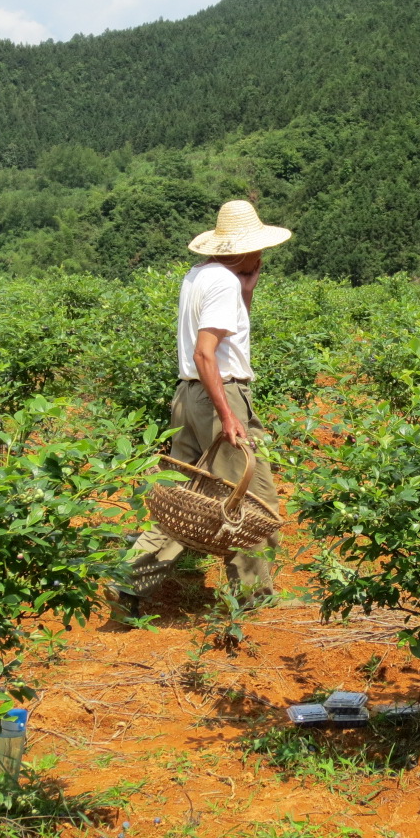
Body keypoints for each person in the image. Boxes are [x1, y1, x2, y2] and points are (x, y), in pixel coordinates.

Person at [127, 200, 291, 604]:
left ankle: (129, 581)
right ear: (247, 249)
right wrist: (228, 414)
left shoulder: (200, 275)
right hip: (218, 393)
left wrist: (247, 291)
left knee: (185, 497)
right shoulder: (222, 282)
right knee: (250, 499)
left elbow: (224, 340)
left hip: (189, 396)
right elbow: (206, 354)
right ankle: (253, 597)